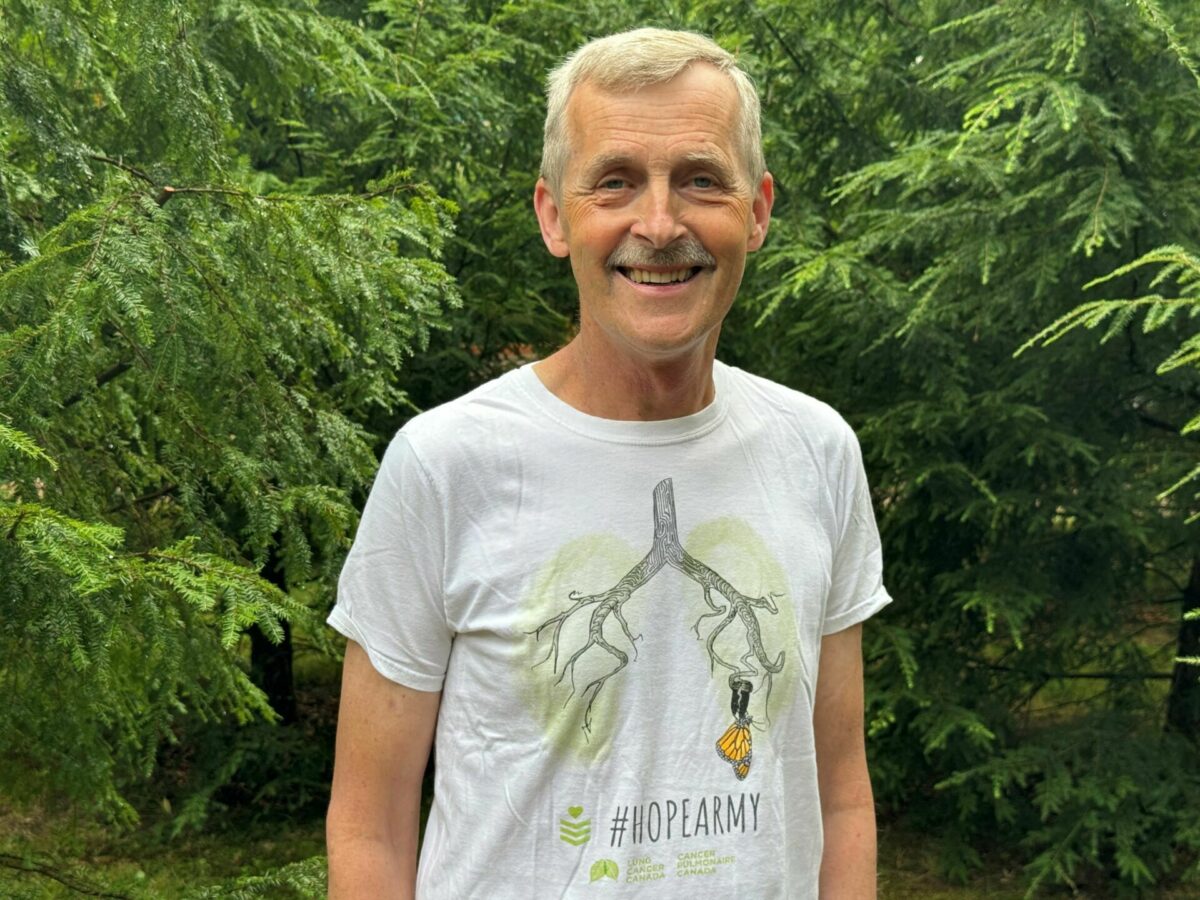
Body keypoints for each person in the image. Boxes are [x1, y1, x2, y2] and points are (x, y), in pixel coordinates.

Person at [325, 27, 890, 899]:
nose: (658, 225)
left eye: (701, 180)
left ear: (757, 211)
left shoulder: (816, 451)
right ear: (555, 214)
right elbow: (370, 824)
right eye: (615, 181)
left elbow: (841, 794)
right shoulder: (446, 465)